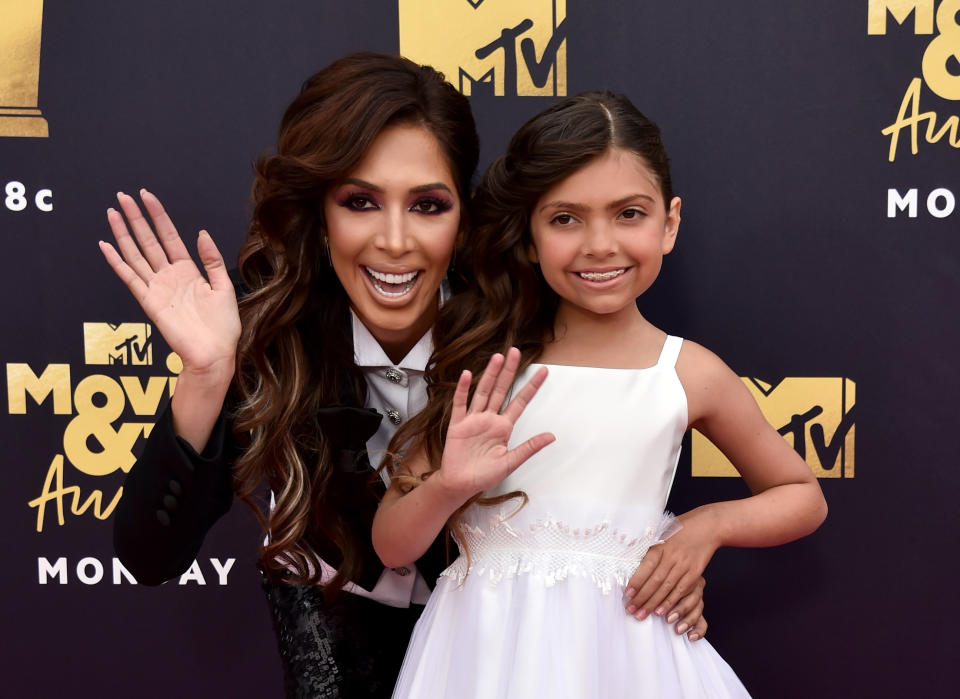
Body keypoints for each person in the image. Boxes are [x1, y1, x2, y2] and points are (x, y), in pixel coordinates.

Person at [100, 56, 707, 697]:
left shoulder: (522, 328)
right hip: (333, 648)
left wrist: (680, 547)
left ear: (463, 219)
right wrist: (206, 373)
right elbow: (149, 556)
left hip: (494, 655)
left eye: (427, 205)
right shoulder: (271, 334)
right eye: (360, 202)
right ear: (321, 214)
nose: (395, 241)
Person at [373, 91, 829, 698]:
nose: (599, 244)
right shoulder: (487, 366)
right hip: (482, 660)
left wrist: (706, 527)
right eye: (565, 218)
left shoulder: (688, 372)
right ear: (530, 237)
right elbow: (392, 544)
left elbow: (802, 495)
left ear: (669, 224)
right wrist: (448, 488)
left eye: (629, 214)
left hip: (631, 658)